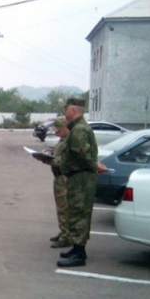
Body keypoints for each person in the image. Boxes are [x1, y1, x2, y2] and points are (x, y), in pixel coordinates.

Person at [57, 98, 104, 268]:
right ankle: (78, 249)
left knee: (79, 213)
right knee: (77, 212)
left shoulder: (78, 130)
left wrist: (95, 166)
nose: (64, 113)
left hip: (81, 178)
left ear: (74, 111)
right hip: (79, 176)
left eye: (66, 109)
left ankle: (79, 254)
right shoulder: (78, 127)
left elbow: (83, 155)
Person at [49, 117, 72, 249]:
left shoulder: (69, 142)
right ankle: (64, 231)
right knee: (61, 207)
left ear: (65, 127)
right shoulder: (63, 140)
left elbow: (64, 161)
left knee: (64, 208)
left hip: (64, 177)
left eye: (58, 130)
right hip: (59, 176)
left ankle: (66, 236)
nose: (56, 133)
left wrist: (48, 160)